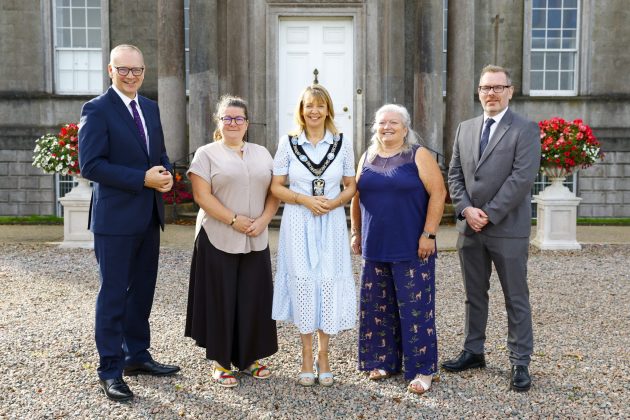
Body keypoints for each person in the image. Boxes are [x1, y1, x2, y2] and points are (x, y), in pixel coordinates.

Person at [78, 44, 180, 402]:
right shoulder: (96, 109)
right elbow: (90, 165)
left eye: (137, 70)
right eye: (124, 70)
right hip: (115, 220)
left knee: (142, 293)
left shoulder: (149, 108)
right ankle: (110, 369)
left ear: (143, 71)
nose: (131, 76)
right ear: (111, 70)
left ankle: (137, 356)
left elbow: (159, 155)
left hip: (148, 217)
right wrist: (142, 179)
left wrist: (165, 174)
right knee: (113, 295)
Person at [443, 65, 541, 392]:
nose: (492, 93)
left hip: (507, 228)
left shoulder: (524, 129)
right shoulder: (465, 128)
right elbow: (454, 175)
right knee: (474, 295)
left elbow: (522, 178)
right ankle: (473, 351)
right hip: (470, 229)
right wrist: (465, 209)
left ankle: (520, 362)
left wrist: (487, 213)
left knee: (516, 297)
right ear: (479, 91)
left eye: (499, 87)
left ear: (510, 91)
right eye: (486, 88)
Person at [350, 104, 446, 395]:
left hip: (412, 247)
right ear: (375, 127)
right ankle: (383, 361)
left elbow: (438, 193)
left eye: (394, 123)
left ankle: (422, 369)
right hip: (375, 246)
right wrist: (355, 232)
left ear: (405, 128)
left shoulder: (418, 155)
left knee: (415, 310)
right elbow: (356, 196)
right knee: (378, 308)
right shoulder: (367, 156)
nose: (387, 127)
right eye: (381, 123)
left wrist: (429, 234)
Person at [185, 95, 279, 388]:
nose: (233, 123)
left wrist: (264, 220)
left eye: (239, 118)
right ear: (219, 122)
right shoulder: (206, 153)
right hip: (218, 234)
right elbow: (202, 196)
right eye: (227, 118)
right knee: (221, 298)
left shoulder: (262, 152)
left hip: (256, 236)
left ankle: (249, 359)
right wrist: (234, 220)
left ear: (247, 123)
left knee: (253, 297)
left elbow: (275, 190)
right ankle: (221, 362)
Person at [271, 84, 357, 387]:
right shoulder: (289, 142)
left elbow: (350, 184)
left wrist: (334, 203)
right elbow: (276, 186)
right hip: (298, 220)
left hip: (330, 221)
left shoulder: (343, 143)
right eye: (309, 105)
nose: (314, 111)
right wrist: (304, 200)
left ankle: (324, 355)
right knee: (305, 283)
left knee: (327, 282)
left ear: (328, 110)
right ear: (301, 110)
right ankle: (306, 354)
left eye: (320, 106)